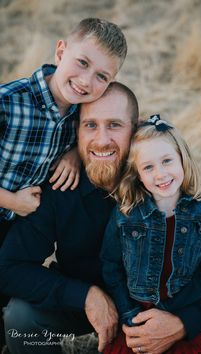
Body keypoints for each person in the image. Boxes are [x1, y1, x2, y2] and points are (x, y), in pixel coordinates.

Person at [0, 84, 201, 354]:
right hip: (81, 301)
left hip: (155, 307)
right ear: (77, 129)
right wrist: (85, 296)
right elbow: (8, 266)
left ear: (135, 128)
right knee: (21, 317)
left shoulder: (158, 180)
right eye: (90, 125)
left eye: (114, 125)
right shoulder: (60, 187)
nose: (101, 140)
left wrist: (184, 322)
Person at [0, 17, 127, 349]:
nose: (86, 81)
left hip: (16, 228)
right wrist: (11, 201)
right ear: (61, 51)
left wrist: (73, 151)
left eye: (102, 76)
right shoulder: (9, 102)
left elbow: (98, 133)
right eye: (82, 63)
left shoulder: (79, 112)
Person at [101, 114, 201, 354]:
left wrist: (172, 311)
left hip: (181, 310)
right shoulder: (126, 213)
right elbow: (111, 266)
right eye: (148, 167)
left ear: (183, 159)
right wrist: (129, 313)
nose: (160, 174)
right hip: (135, 314)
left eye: (167, 161)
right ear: (137, 175)